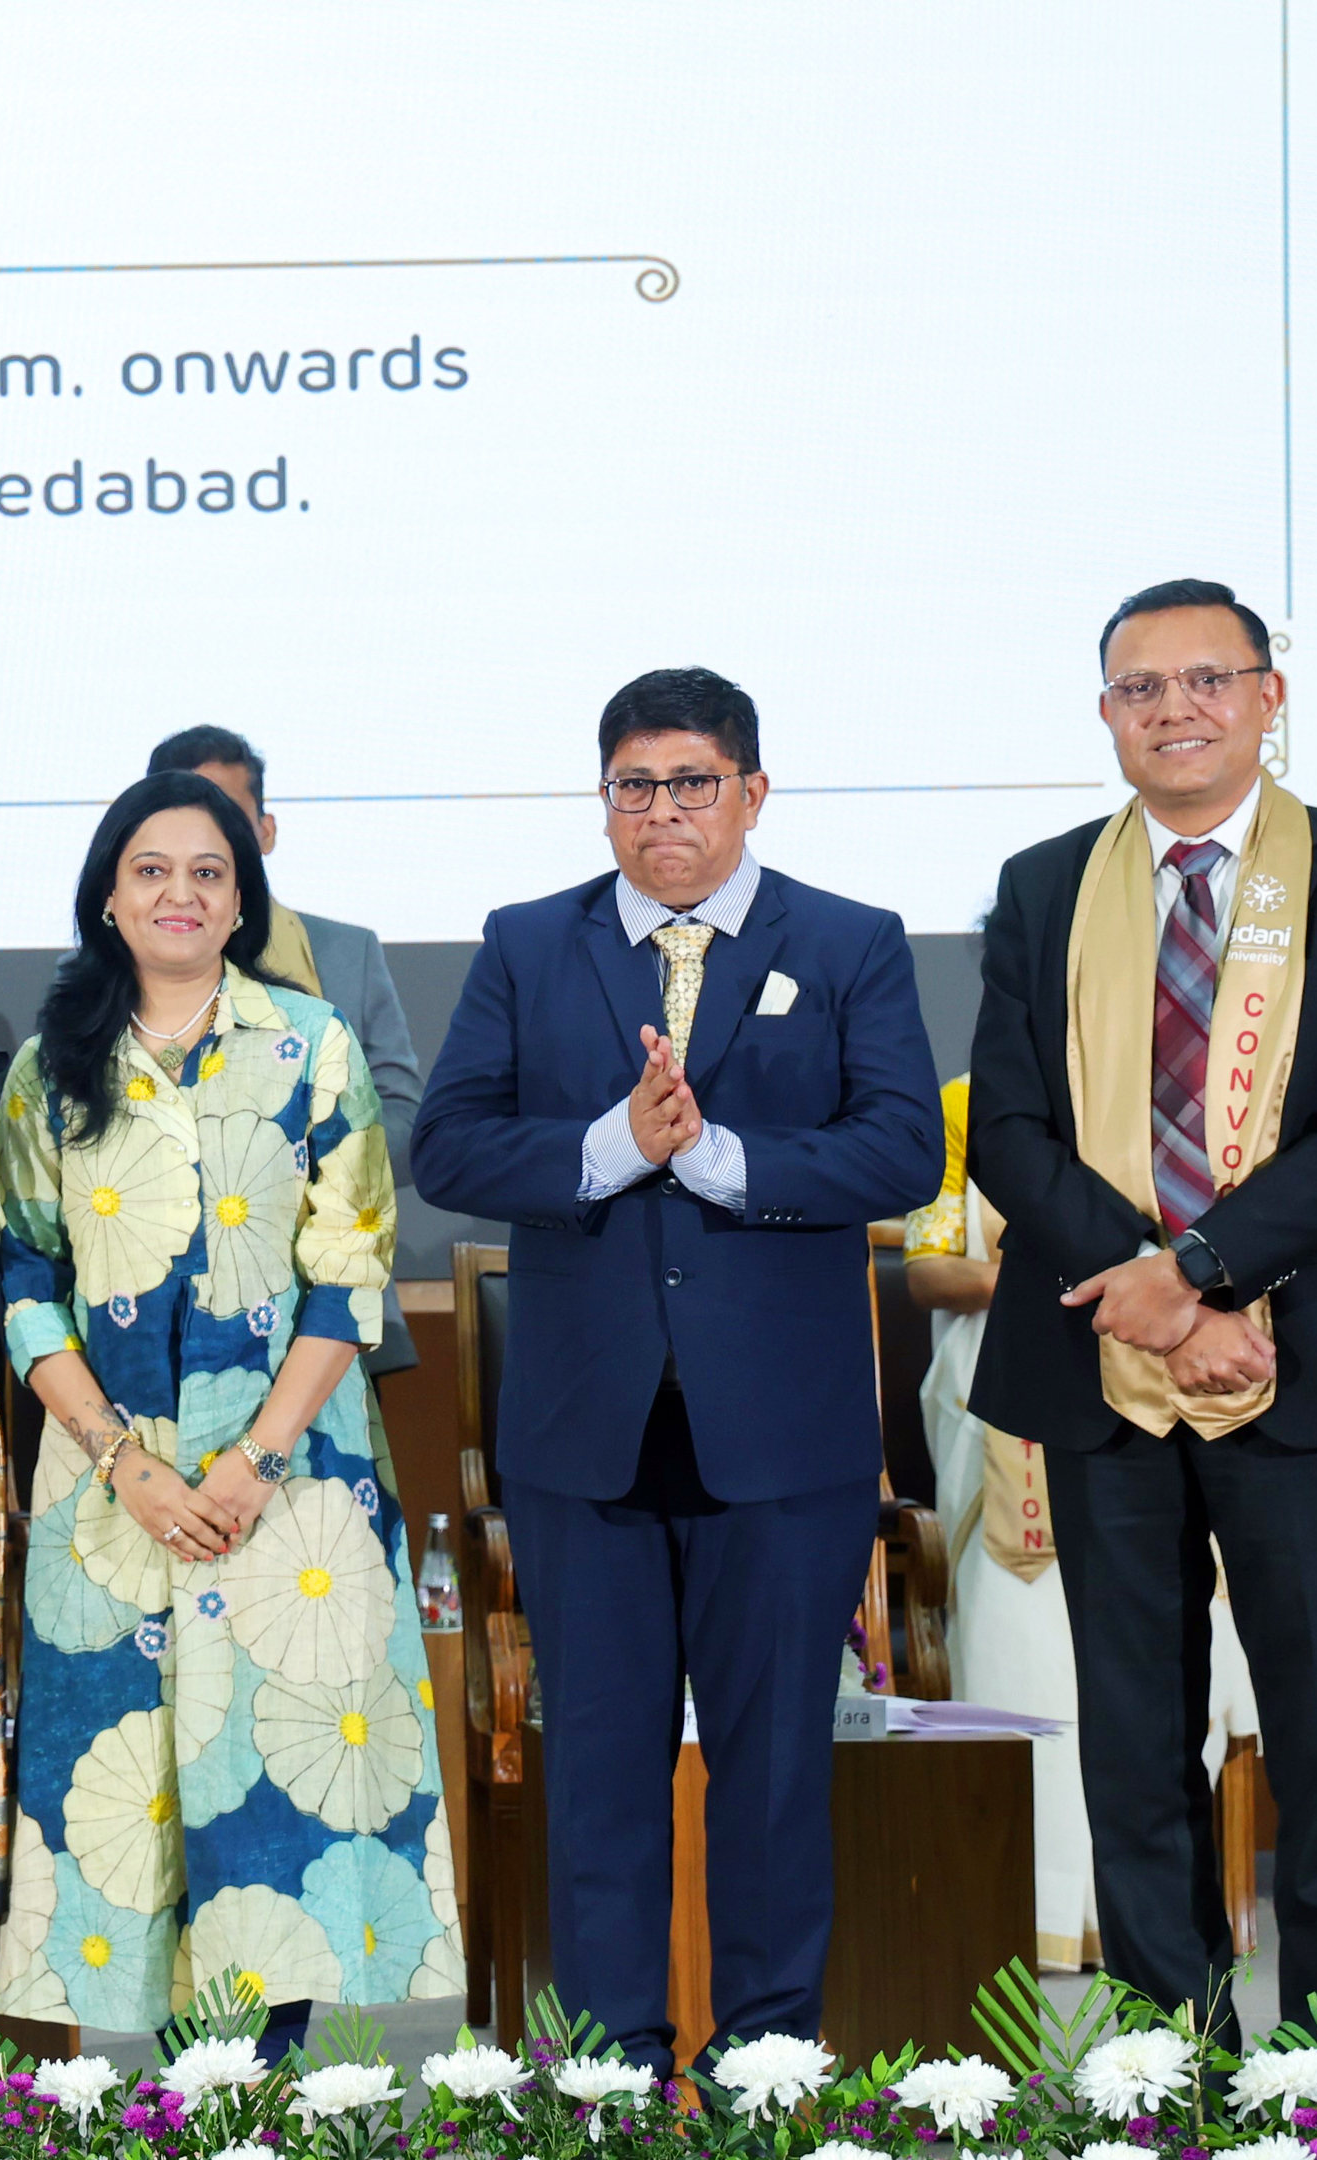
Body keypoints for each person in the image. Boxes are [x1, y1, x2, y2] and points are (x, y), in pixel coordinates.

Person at [411, 667, 938, 2072]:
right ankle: (612, 2075)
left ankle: (766, 2069)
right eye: (634, 786)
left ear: (751, 793)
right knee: (597, 1778)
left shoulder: (850, 941)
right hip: (585, 1436)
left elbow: (903, 1148)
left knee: (774, 1778)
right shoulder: (529, 942)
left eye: (692, 783)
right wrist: (611, 1148)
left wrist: (718, 1160)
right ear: (605, 801)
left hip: (783, 1441)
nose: (663, 812)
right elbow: (447, 1144)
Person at [966, 577, 1317, 2043]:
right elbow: (1010, 1134)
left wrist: (1203, 1269)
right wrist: (1161, 1300)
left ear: (1266, 698)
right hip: (1102, 1361)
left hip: (1310, 1356)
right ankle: (1174, 2067)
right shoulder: (1045, 885)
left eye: (1206, 681)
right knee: (1133, 1742)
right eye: (1141, 688)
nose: (1174, 710)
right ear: (1107, 713)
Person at [0, 769, 458, 2045]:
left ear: (242, 899)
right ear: (108, 897)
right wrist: (123, 1460)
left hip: (291, 1484)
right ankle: (157, 2109)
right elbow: (26, 1284)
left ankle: (268, 2102)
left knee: (274, 1812)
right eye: (151, 871)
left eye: (208, 872)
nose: (180, 894)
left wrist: (255, 1459)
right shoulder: (47, 1069)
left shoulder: (314, 1043)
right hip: (112, 1495)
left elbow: (350, 1272)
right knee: (126, 1808)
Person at [906, 1073, 1266, 1974]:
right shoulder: (969, 1103)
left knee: (1161, 1664)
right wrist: (1074, 1281)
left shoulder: (1192, 1083)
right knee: (1018, 1654)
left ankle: (1151, 1924)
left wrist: (1159, 1291)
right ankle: (1027, 1909)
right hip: (1029, 1387)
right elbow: (925, 1267)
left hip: (1190, 1379)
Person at [146, 726, 428, 1386]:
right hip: (154, 1307)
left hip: (328, 1302)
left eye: (224, 821)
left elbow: (409, 1129)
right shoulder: (94, 980)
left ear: (265, 832)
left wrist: (278, 1164)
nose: (202, 847)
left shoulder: (346, 954)